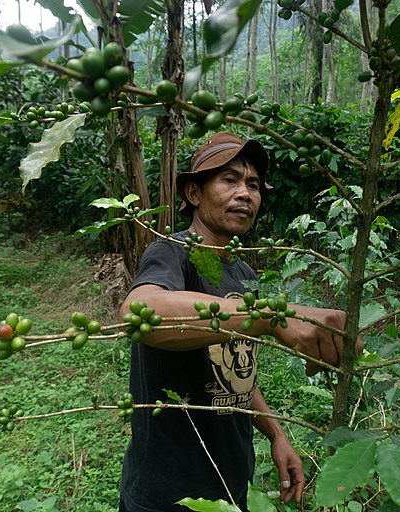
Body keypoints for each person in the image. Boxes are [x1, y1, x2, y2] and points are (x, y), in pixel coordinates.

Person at [118, 132, 349, 511]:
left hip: (231, 481)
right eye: (230, 180)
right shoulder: (173, 251)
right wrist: (274, 317)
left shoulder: (241, 271)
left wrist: (275, 433)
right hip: (166, 493)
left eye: (253, 185)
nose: (245, 193)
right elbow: (138, 313)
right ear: (193, 194)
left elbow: (231, 372)